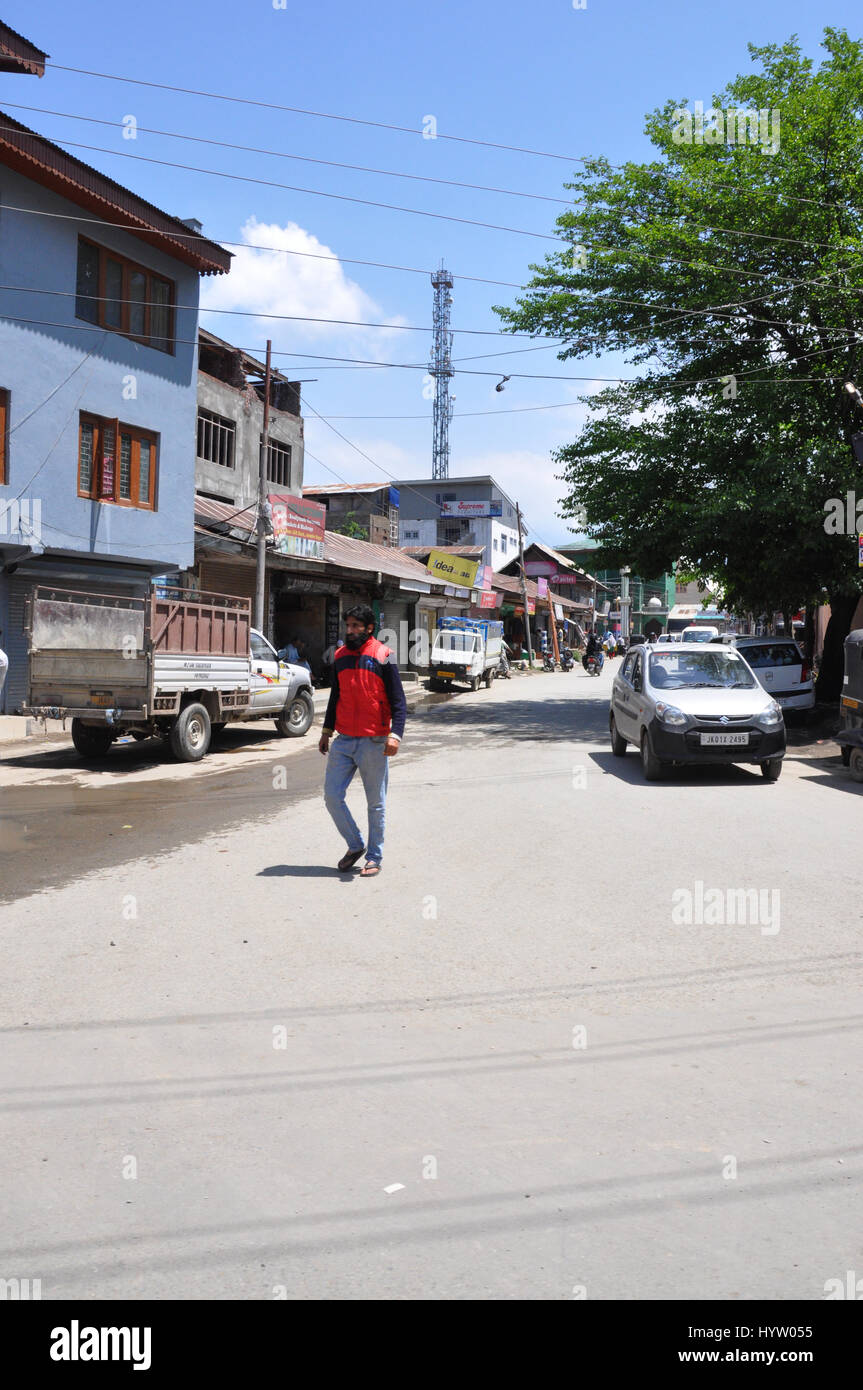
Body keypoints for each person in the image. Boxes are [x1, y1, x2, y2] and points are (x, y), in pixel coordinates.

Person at [319, 605, 407, 878]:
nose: (351, 631)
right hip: (344, 739)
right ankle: (355, 844)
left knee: (375, 803)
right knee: (332, 796)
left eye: (357, 626)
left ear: (370, 628)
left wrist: (395, 734)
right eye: (348, 626)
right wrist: (326, 730)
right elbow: (336, 696)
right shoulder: (341, 656)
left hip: (374, 740)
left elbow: (398, 701)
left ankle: (374, 857)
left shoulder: (383, 656)